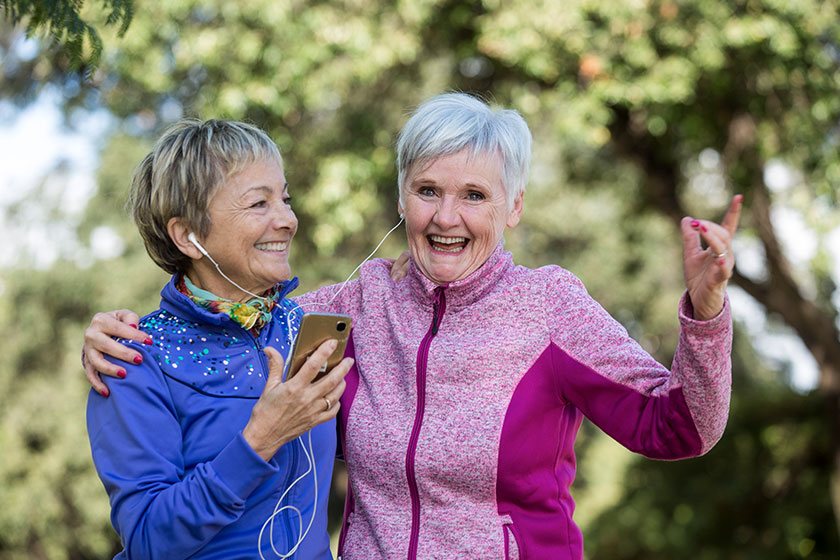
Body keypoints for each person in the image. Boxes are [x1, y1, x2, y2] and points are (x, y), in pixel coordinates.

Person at [83, 93, 742, 559]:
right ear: (402, 199)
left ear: (513, 208)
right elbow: (219, 298)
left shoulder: (550, 307)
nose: (446, 217)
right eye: (428, 190)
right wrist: (119, 331)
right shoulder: (346, 311)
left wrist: (706, 312)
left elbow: (678, 426)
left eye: (475, 196)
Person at [85, 119, 355, 559]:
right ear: (188, 236)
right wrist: (260, 439)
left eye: (284, 199)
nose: (287, 220)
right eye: (258, 204)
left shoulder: (305, 326)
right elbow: (148, 541)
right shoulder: (132, 356)